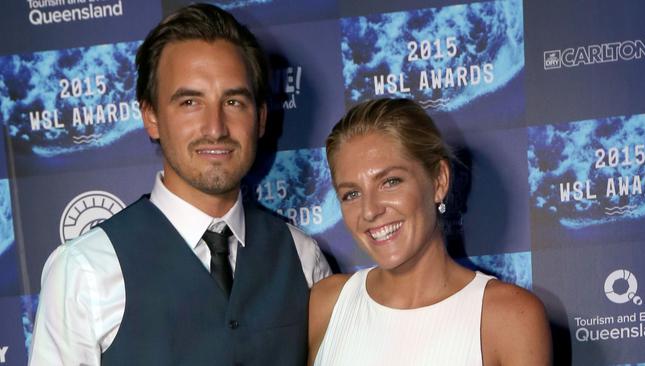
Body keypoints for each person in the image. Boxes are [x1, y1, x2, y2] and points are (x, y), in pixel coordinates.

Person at [29, 4, 331, 366]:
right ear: (151, 117)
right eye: (190, 102)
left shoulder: (302, 258)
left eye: (234, 101)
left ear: (261, 118)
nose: (216, 127)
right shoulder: (85, 270)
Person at [308, 98, 551, 366]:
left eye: (390, 182)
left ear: (439, 181)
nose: (369, 211)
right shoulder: (326, 304)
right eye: (351, 193)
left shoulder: (509, 317)